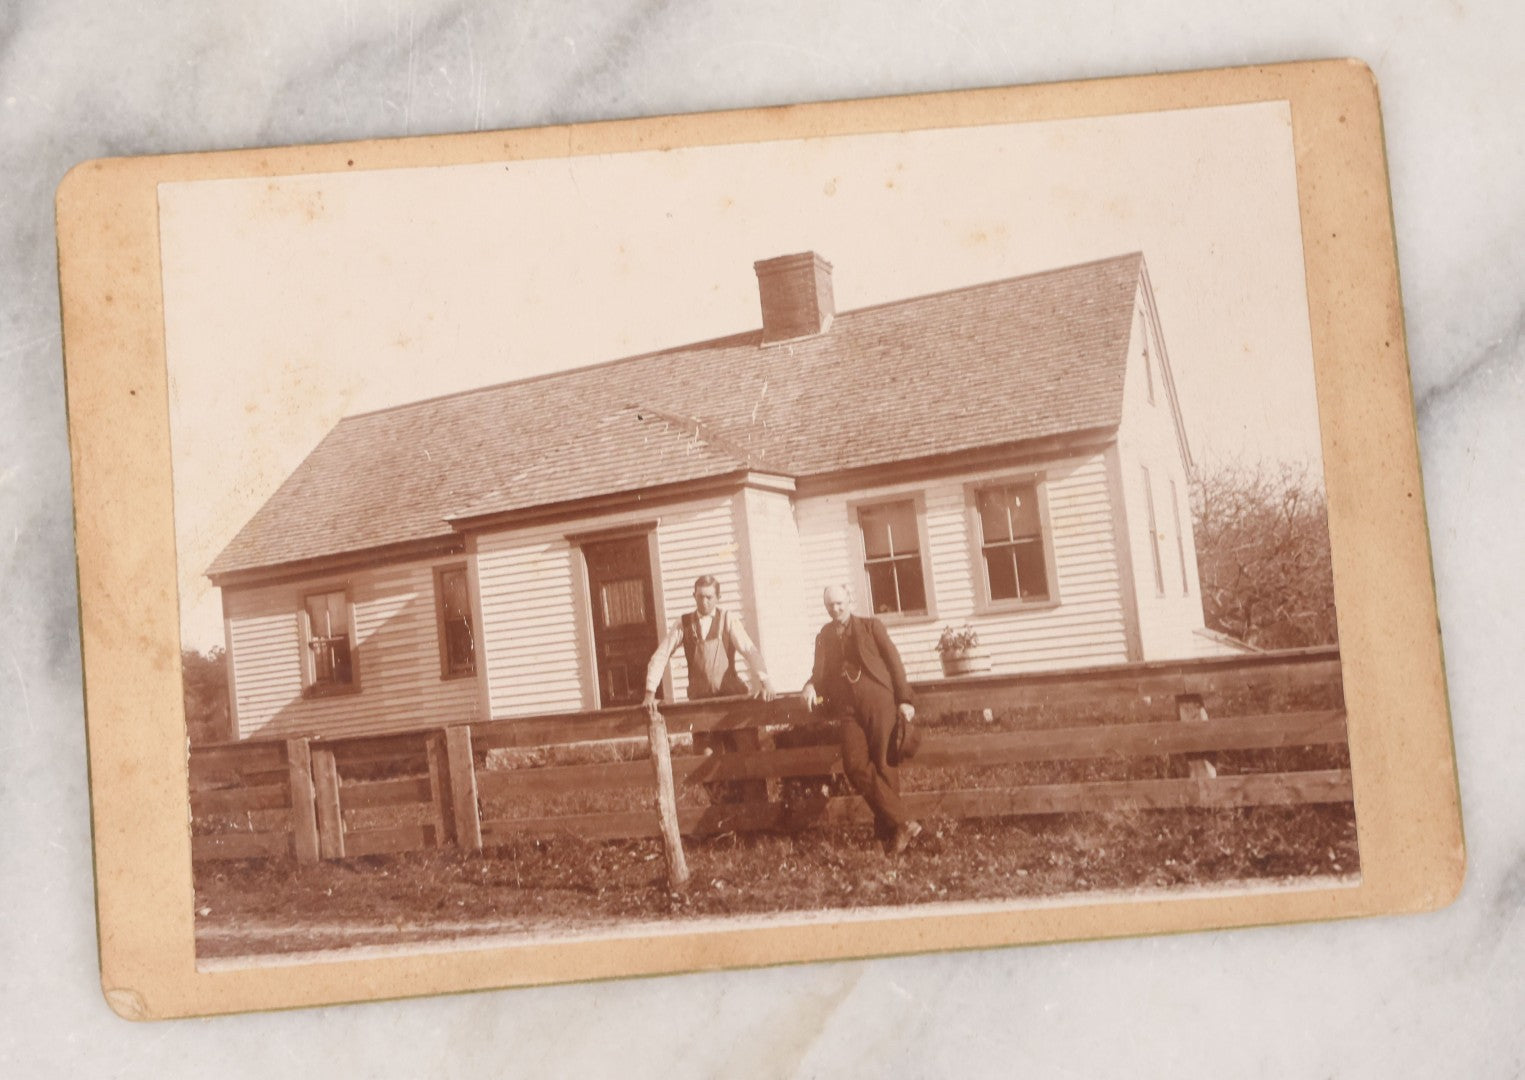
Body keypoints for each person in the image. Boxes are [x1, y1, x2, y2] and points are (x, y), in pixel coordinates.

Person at [801, 584, 922, 855]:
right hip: (848, 709)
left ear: (850, 600)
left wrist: (904, 699)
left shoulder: (871, 627)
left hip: (879, 701)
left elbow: (894, 662)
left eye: (840, 603)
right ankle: (904, 822)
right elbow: (819, 673)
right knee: (854, 765)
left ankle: (888, 839)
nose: (836, 609)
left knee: (884, 766)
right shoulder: (824, 635)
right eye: (830, 605)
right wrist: (810, 685)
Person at [643, 575, 775, 802]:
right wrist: (650, 692)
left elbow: (749, 650)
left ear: (718, 597)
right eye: (700, 597)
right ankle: (721, 810)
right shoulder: (684, 624)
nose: (704, 602)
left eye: (709, 597)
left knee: (747, 754)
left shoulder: (727, 619)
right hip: (702, 706)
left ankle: (757, 809)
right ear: (693, 596)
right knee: (704, 760)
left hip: (732, 703)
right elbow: (661, 655)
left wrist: (766, 682)